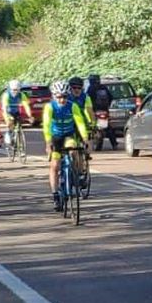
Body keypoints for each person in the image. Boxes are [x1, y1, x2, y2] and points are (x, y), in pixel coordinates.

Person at [42, 79, 90, 210]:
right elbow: (46, 126)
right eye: (59, 97)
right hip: (55, 137)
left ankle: (75, 174)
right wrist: (48, 142)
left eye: (64, 97)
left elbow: (80, 123)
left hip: (69, 135)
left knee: (73, 149)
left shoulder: (72, 106)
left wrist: (85, 138)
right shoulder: (50, 107)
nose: (62, 100)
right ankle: (55, 194)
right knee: (55, 165)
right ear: (54, 96)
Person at [0, 78, 34, 149]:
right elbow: (4, 108)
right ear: (10, 89)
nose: (15, 92)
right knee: (10, 123)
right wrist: (8, 118)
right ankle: (8, 133)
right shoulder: (6, 95)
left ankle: (18, 139)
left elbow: (26, 106)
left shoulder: (21, 95)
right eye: (13, 90)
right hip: (7, 111)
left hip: (16, 111)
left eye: (17, 90)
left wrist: (30, 116)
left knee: (18, 123)